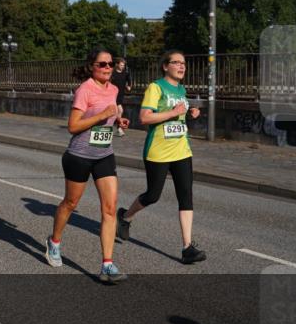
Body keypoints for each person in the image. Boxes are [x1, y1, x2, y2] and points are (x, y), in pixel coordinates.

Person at [45, 48, 129, 284]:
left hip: (104, 154)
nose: (107, 68)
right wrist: (103, 114)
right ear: (92, 66)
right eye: (102, 64)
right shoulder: (85, 89)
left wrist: (117, 121)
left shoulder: (113, 89)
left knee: (110, 208)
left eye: (110, 64)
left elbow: (108, 119)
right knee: (71, 203)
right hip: (79, 155)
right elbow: (73, 126)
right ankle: (54, 242)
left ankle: (107, 265)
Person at [117, 50, 206, 264]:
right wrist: (173, 112)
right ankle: (125, 217)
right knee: (153, 195)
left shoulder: (181, 89)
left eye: (183, 63)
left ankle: (187, 247)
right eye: (176, 62)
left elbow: (178, 114)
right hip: (158, 151)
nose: (182, 66)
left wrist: (190, 112)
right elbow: (145, 117)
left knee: (186, 196)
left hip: (182, 150)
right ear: (165, 66)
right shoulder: (155, 87)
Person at [110, 57, 133, 137]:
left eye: (123, 65)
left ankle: (116, 127)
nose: (122, 66)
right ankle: (119, 129)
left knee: (117, 111)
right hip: (112, 95)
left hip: (120, 95)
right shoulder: (112, 74)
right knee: (120, 110)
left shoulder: (125, 73)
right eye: (121, 65)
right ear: (117, 65)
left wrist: (129, 86)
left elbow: (129, 79)